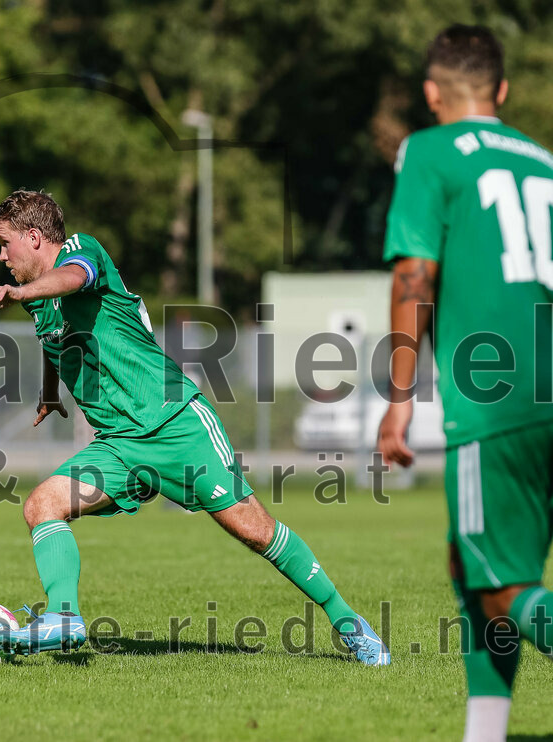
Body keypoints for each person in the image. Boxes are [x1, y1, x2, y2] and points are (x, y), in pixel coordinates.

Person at [0, 189, 389, 664]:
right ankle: (64, 617)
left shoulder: (82, 252)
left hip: (176, 424)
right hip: (120, 445)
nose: (1, 257)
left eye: (5, 244)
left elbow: (72, 280)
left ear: (34, 236)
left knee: (254, 531)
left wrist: (22, 290)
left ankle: (350, 622)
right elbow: (54, 337)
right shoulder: (38, 299)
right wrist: (50, 391)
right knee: (42, 505)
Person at [378, 25, 553, 742]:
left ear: (431, 93)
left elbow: (414, 273)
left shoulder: (427, 150)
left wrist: (398, 400)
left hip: (497, 398)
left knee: (500, 582)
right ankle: (484, 733)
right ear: (503, 92)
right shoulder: (545, 161)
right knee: (470, 564)